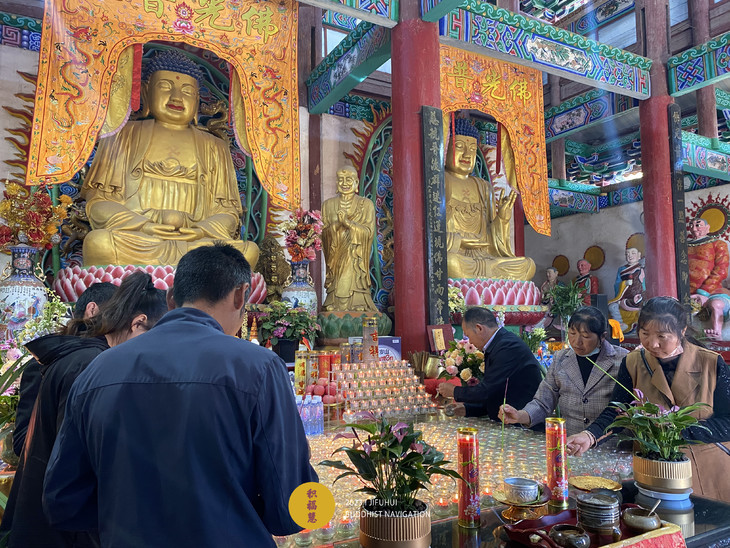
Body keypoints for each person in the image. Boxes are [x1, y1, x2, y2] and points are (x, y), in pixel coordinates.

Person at [43, 244, 318, 547]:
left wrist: (127, 516)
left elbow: (63, 502)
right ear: (241, 295)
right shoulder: (259, 368)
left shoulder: (98, 370)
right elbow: (293, 510)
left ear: (171, 297)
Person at [1, 272, 167, 548]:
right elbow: (79, 458)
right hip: (69, 528)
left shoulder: (84, 358)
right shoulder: (94, 365)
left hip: (52, 519)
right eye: (157, 340)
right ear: (138, 323)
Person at [81, 49, 259, 269]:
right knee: (99, 243)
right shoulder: (122, 135)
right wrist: (143, 225)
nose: (176, 97)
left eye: (187, 91)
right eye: (165, 86)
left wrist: (200, 231)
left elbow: (228, 214)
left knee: (248, 251)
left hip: (196, 245)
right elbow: (98, 203)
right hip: (140, 240)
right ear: (145, 92)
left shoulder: (216, 147)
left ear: (197, 100)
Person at [566, 297, 730, 502]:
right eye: (645, 334)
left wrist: (676, 430)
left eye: (662, 336)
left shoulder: (711, 363)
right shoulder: (633, 362)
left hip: (705, 474)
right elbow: (617, 412)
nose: (652, 343)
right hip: (652, 472)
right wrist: (589, 436)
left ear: (682, 331)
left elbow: (728, 422)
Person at [12, 281, 117, 456]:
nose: (122, 324)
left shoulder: (110, 359)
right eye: (118, 314)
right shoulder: (47, 362)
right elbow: (22, 442)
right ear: (92, 310)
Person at [498, 306, 628, 436]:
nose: (577, 342)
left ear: (602, 336)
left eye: (585, 336)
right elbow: (543, 403)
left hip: (609, 442)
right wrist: (519, 416)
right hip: (571, 442)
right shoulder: (561, 359)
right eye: (572, 333)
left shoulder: (623, 359)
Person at [445, 118, 535, 281]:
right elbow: (431, 233)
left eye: (472, 149)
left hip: (485, 256)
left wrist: (502, 218)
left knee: (528, 265)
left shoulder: (484, 186)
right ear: (445, 149)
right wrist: (459, 241)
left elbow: (493, 239)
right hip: (458, 255)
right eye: (459, 147)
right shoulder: (440, 181)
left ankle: (484, 278)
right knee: (450, 263)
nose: (467, 154)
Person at [437, 306, 542, 420]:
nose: (470, 341)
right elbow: (496, 393)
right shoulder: (498, 344)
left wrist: (454, 391)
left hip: (522, 421)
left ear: (479, 328)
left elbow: (487, 391)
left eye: (469, 335)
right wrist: (467, 409)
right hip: (506, 418)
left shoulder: (507, 346)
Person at [322, 165, 378, 311]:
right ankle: (333, 302)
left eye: (349, 179)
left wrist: (348, 224)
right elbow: (324, 234)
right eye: (341, 179)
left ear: (356, 183)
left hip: (356, 255)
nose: (344, 183)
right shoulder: (328, 205)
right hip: (337, 254)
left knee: (355, 274)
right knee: (337, 280)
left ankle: (359, 302)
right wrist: (336, 227)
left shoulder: (366, 204)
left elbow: (368, 232)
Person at [687, 217, 730, 338]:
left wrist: (703, 293)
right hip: (687, 292)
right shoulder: (683, 246)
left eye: (698, 225)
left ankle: (716, 332)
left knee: (716, 305)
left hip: (713, 290)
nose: (694, 229)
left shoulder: (718, 244)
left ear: (707, 228)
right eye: (691, 225)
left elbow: (721, 270)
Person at [609, 242, 645, 333]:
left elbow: (644, 285)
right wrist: (624, 283)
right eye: (627, 254)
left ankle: (639, 326)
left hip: (638, 297)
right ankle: (621, 324)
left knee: (645, 307)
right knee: (612, 306)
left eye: (633, 253)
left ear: (639, 255)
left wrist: (642, 295)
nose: (630, 256)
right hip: (624, 296)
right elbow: (617, 284)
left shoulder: (641, 269)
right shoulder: (621, 269)